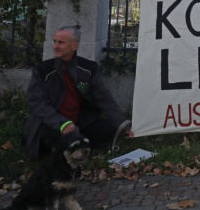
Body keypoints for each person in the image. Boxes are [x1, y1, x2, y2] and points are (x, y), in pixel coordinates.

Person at [23, 26, 134, 159]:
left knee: (112, 129)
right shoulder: (42, 70)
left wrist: (121, 124)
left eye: (61, 42)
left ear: (74, 45)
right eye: (55, 41)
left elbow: (103, 97)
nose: (55, 46)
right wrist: (61, 123)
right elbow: (37, 102)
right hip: (53, 124)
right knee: (48, 139)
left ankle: (78, 144)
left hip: (81, 122)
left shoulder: (88, 68)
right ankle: (71, 149)